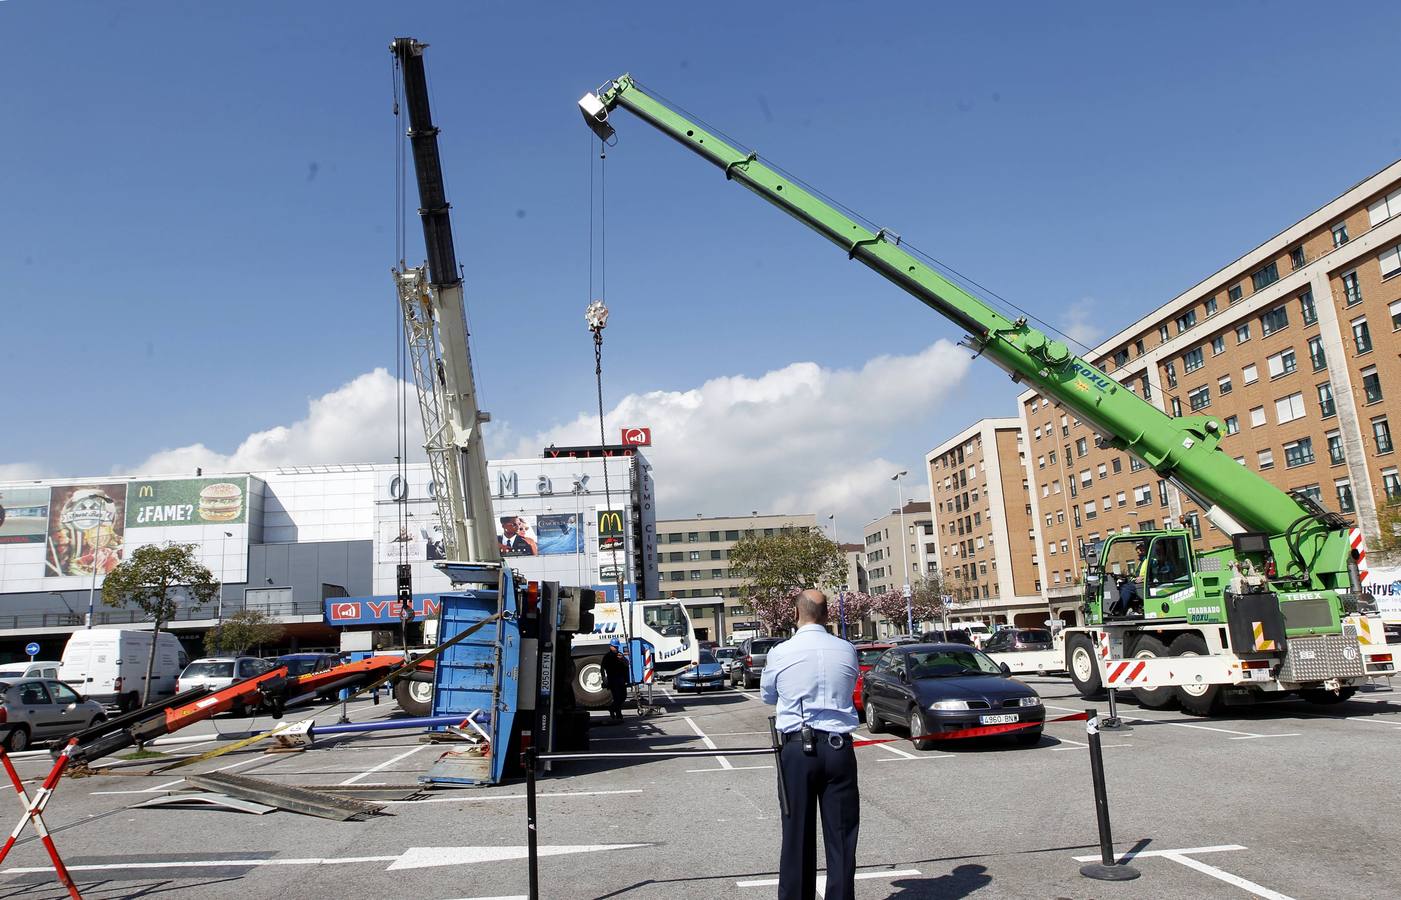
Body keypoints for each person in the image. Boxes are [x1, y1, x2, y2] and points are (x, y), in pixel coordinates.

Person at [760, 590, 860, 900]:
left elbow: (768, 695)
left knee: (796, 836)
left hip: (797, 748)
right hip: (839, 747)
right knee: (842, 837)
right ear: (827, 615)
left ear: (795, 614)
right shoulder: (847, 650)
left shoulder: (781, 652)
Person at [600, 638, 630, 722]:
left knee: (623, 697)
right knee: (617, 697)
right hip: (612, 679)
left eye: (617, 647)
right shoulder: (607, 657)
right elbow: (603, 668)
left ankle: (612, 708)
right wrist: (604, 679)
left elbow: (627, 664)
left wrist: (623, 659)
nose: (616, 648)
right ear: (611, 646)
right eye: (614, 647)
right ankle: (618, 714)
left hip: (621, 679)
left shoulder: (620, 655)